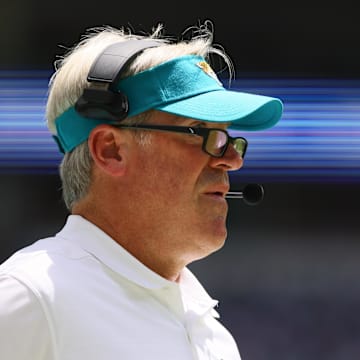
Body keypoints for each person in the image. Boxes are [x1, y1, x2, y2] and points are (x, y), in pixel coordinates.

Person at [0, 22, 283, 359]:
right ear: (110, 150)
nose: (232, 160)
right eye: (199, 131)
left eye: (227, 137)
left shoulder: (215, 337)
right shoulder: (31, 297)